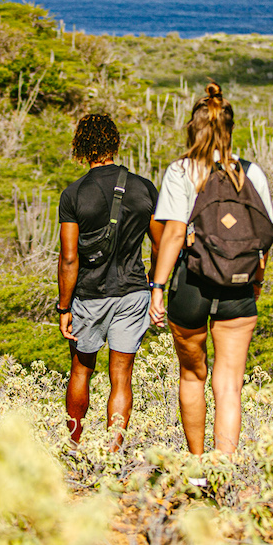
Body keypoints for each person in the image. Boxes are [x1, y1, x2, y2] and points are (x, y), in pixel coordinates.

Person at [148, 82, 273, 457]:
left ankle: (198, 467)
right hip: (239, 285)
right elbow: (262, 237)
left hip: (191, 284)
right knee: (229, 385)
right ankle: (226, 470)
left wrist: (158, 287)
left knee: (192, 375)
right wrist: (256, 283)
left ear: (193, 129)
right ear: (230, 130)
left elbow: (172, 233)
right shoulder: (252, 173)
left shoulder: (181, 171)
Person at [57, 113, 162, 448]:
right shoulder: (144, 188)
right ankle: (113, 451)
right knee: (121, 377)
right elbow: (160, 242)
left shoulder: (74, 195)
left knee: (81, 371)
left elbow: (69, 258)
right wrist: (153, 280)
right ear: (115, 144)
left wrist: (63, 306)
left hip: (88, 296)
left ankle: (75, 445)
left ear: (81, 148)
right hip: (133, 292)